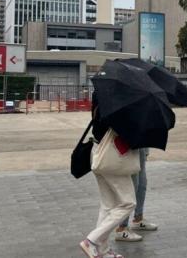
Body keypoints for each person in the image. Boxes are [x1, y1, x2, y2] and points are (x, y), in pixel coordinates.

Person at [80, 95, 135, 258]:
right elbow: (123, 129)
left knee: (108, 204)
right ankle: (92, 241)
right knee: (128, 202)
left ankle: (101, 251)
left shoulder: (101, 94)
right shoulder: (119, 101)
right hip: (111, 157)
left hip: (98, 153)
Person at [114, 148, 158, 242]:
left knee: (142, 185)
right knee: (132, 186)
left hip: (141, 145)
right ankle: (122, 228)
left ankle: (138, 219)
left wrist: (146, 150)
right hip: (130, 146)